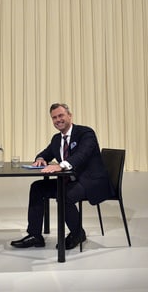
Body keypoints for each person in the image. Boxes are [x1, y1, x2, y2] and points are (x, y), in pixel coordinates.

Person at [11, 103, 115, 250]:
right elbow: (45, 153)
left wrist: (61, 165)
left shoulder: (85, 133)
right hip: (69, 180)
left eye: (61, 116)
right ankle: (35, 235)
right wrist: (40, 158)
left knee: (64, 195)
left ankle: (78, 233)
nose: (58, 120)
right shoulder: (56, 139)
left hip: (90, 181)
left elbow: (81, 155)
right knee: (37, 187)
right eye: (54, 118)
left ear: (69, 116)